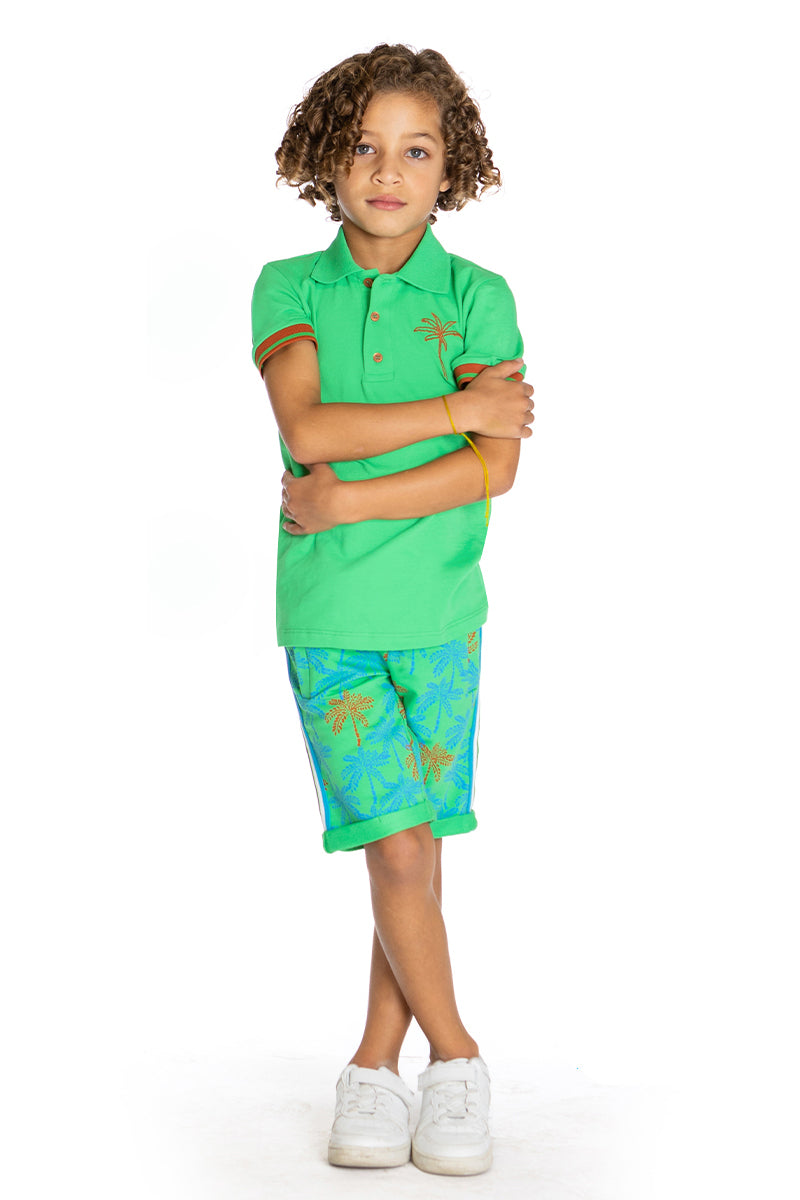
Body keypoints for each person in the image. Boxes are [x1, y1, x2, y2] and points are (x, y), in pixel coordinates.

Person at [250, 43, 534, 1176]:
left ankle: (374, 1063)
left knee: (409, 850)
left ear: (450, 169)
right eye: (364, 146)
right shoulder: (289, 287)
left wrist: (350, 498)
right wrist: (460, 409)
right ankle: (457, 1056)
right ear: (326, 157)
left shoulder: (478, 297)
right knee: (399, 845)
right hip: (330, 615)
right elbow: (307, 427)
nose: (386, 171)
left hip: (443, 610)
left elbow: (496, 470)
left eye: (417, 151)